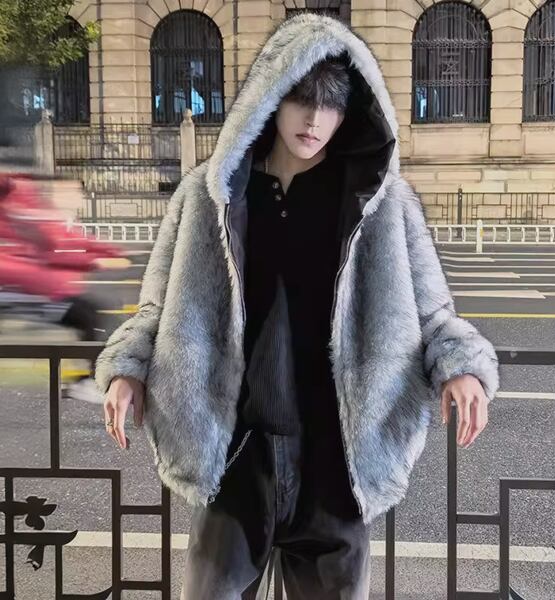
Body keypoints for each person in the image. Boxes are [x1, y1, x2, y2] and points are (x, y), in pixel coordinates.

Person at [95, 12, 500, 599]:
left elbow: (433, 313)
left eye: (332, 106)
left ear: (350, 112)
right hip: (236, 454)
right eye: (301, 100)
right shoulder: (210, 197)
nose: (314, 120)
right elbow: (157, 306)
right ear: (270, 98)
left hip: (335, 457)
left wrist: (461, 366)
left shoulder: (379, 203)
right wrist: (127, 368)